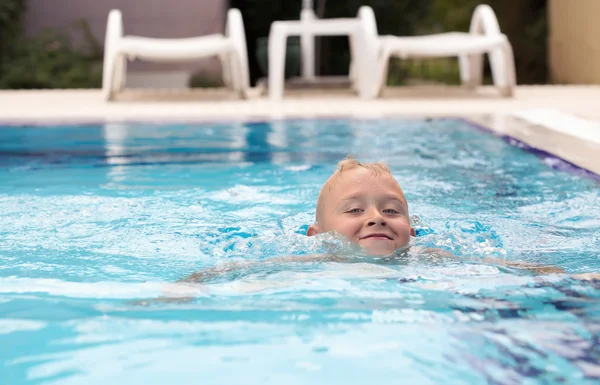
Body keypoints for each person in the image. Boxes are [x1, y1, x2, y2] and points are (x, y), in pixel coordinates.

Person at [142, 157, 598, 304]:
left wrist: (567, 278)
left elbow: (502, 268)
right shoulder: (306, 261)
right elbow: (235, 270)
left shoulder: (431, 257)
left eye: (392, 210)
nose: (377, 217)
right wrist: (182, 288)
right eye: (355, 209)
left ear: (413, 231)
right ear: (316, 232)